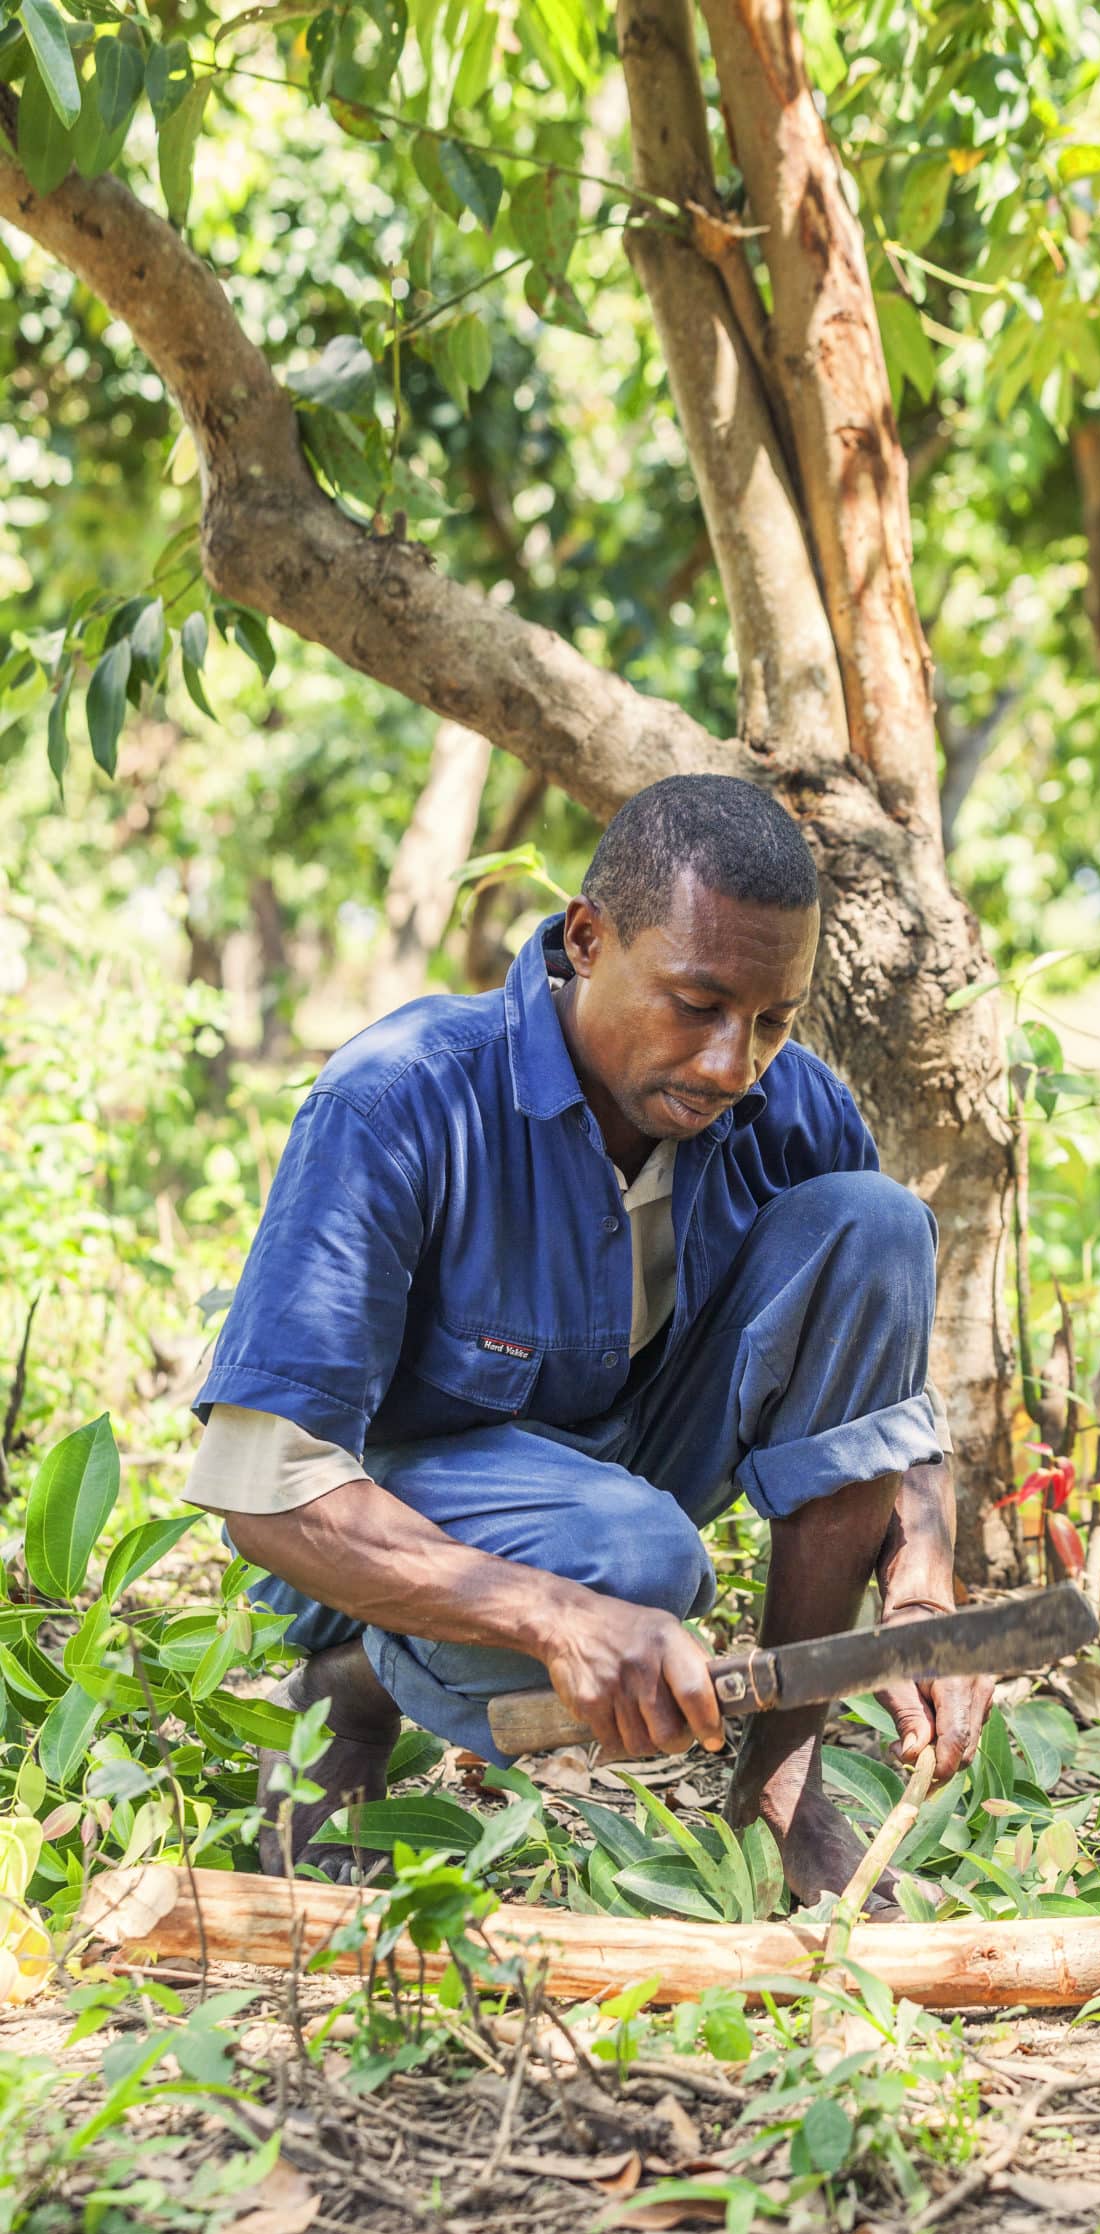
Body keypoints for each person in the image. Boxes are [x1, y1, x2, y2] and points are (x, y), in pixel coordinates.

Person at [185, 774, 993, 1905]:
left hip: (632, 1472)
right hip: (418, 1509)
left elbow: (884, 1413)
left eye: (772, 1019)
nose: (732, 1064)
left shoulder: (789, 1106)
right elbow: (264, 1486)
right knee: (637, 1561)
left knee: (877, 1224)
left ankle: (781, 1782)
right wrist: (556, 1612)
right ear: (586, 937)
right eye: (697, 1004)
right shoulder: (402, 1097)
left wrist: (919, 1576)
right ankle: (355, 1682)